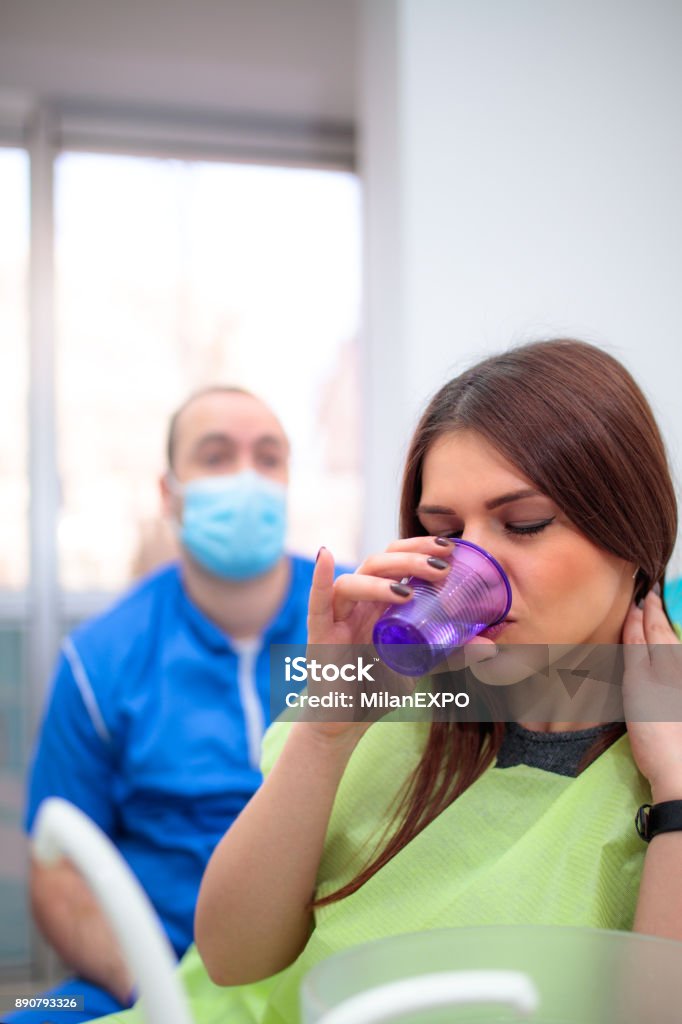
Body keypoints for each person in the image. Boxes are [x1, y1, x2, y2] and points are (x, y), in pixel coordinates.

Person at [97, 339, 682, 1024]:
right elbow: (232, 957)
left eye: (524, 524)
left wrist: (675, 790)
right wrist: (327, 729)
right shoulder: (400, 706)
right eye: (445, 532)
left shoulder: (663, 749)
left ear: (633, 530)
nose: (474, 567)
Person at [8, 386, 342, 1024]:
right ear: (169, 493)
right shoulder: (102, 658)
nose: (247, 477)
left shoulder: (360, 619)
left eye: (268, 458)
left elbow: (569, 689)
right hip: (153, 967)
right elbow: (56, 869)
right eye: (216, 457)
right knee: (30, 1013)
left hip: (330, 958)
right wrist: (155, 991)